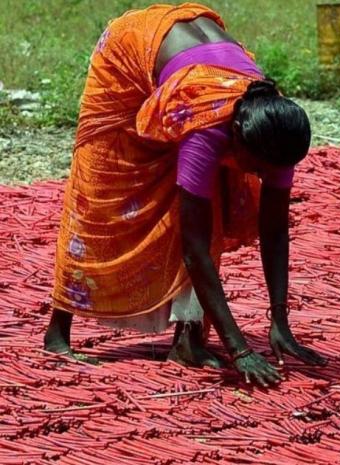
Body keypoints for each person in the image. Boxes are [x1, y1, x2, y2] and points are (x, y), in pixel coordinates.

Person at [42, 3, 325, 387]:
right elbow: (193, 246)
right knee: (102, 193)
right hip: (127, 54)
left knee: (215, 203)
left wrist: (280, 319)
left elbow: (274, 229)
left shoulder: (275, 130)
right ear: (235, 139)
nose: (259, 177)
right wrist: (239, 349)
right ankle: (57, 332)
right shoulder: (206, 128)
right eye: (255, 167)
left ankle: (189, 339)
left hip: (192, 61)